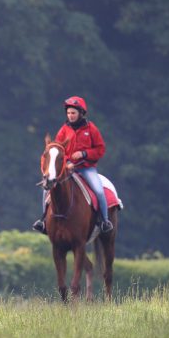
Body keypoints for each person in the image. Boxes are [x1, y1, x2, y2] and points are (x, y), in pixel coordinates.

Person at [33, 96, 113, 234]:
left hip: (87, 168)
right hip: (68, 168)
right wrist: (68, 162)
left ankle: (104, 221)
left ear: (81, 113)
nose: (70, 116)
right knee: (46, 189)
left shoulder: (92, 129)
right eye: (68, 113)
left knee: (99, 191)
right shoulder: (64, 130)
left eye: (73, 113)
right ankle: (44, 221)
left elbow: (100, 149)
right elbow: (58, 150)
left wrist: (84, 154)